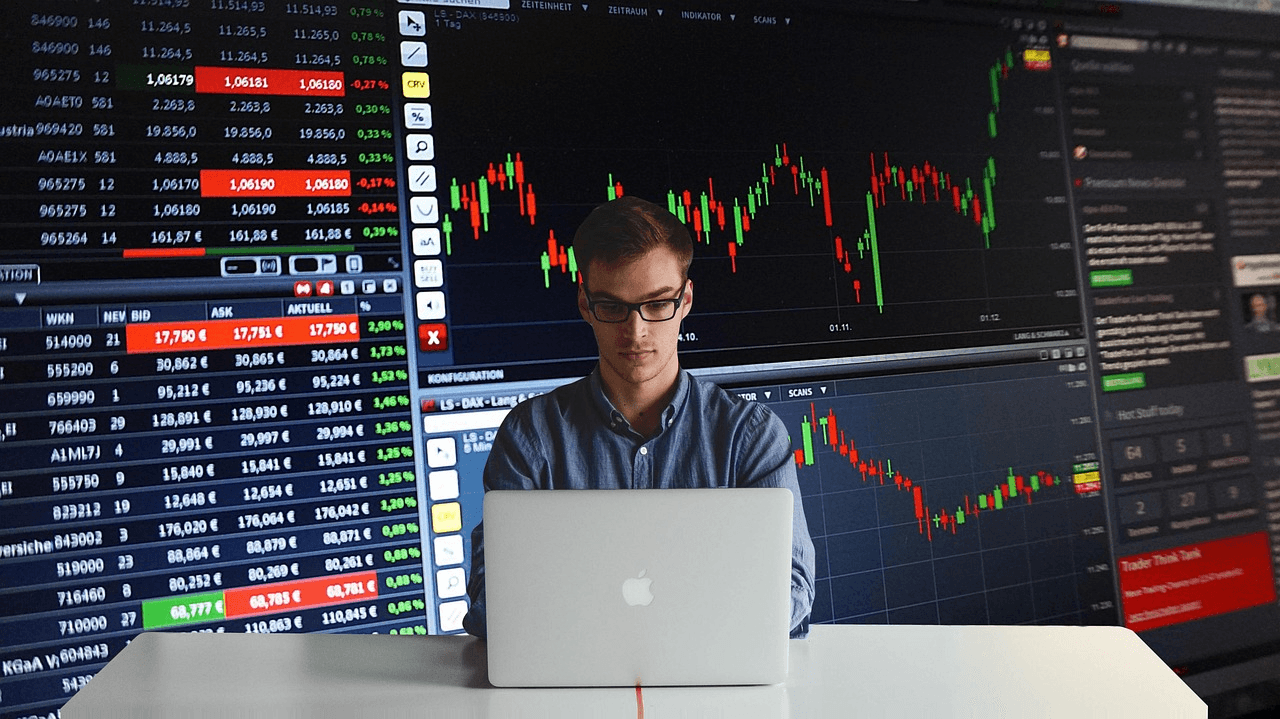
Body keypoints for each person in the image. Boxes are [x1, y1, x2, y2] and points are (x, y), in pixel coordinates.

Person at [462, 195, 816, 638]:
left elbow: (792, 589)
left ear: (685, 300)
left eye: (657, 303)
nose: (636, 331)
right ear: (585, 304)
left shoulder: (752, 437)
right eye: (612, 307)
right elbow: (490, 602)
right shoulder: (529, 437)